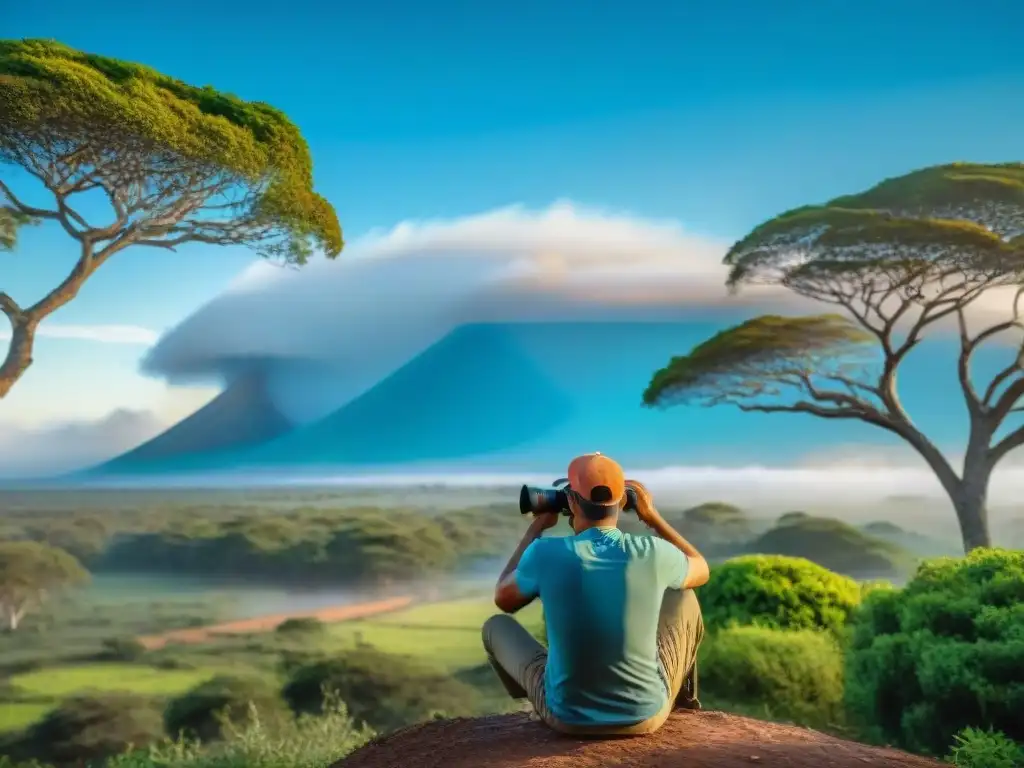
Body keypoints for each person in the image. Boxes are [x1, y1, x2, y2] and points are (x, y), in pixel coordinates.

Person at [482, 452, 710, 736]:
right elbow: (701, 568)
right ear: (623, 501)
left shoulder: (545, 553)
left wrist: (537, 526)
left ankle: (541, 704)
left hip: (566, 719)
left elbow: (504, 597)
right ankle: (684, 702)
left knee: (496, 627)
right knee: (685, 595)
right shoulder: (652, 552)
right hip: (645, 718)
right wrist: (652, 517)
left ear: (572, 502)